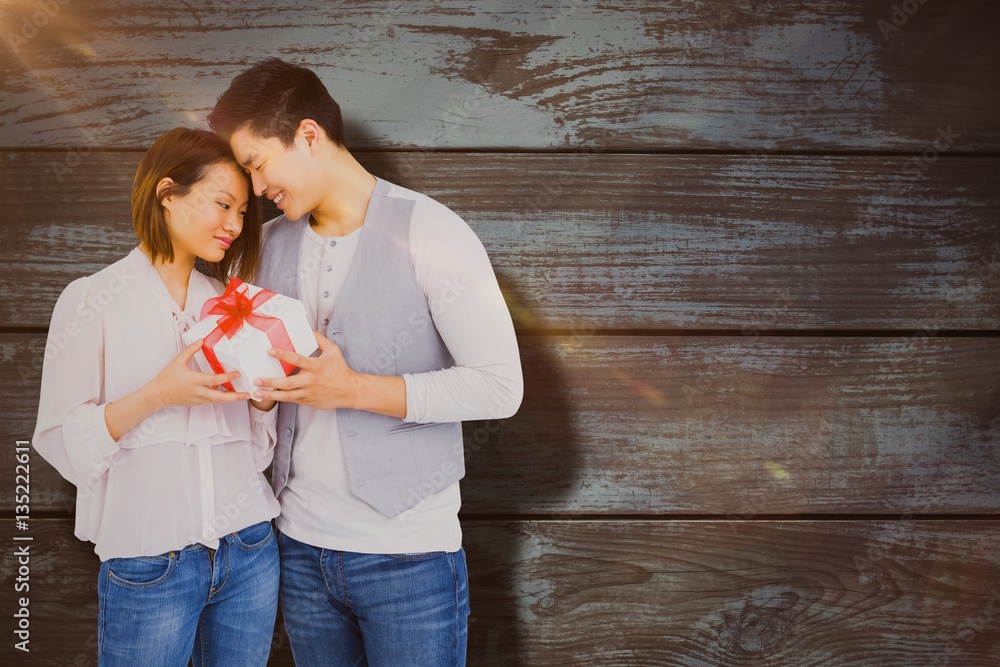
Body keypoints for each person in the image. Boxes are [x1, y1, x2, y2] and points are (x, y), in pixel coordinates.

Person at [207, 58, 523, 666]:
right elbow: (257, 388)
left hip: (408, 557)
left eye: (256, 163)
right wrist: (261, 390)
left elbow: (499, 387)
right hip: (298, 553)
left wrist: (354, 389)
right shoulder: (267, 247)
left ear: (307, 135)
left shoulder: (431, 230)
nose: (253, 186)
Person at [32, 127, 282, 666]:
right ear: (166, 193)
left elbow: (257, 449)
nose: (235, 226)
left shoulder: (234, 306)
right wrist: (158, 394)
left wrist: (265, 399)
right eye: (223, 204)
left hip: (250, 550)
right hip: (151, 561)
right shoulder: (91, 299)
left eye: (243, 211)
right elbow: (61, 442)